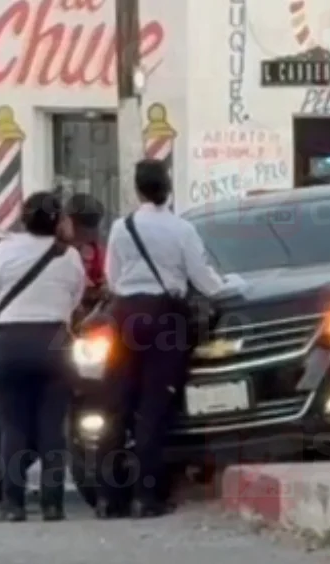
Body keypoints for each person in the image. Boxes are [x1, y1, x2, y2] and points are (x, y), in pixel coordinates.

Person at [98, 159, 228, 519]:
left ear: (137, 190)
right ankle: (147, 496)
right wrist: (231, 288)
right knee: (154, 408)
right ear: (168, 188)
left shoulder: (121, 228)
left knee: (116, 406)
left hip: (125, 315)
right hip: (166, 318)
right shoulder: (182, 229)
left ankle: (110, 498)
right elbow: (204, 280)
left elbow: (111, 278)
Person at [0, 191, 85, 522]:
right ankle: (53, 505)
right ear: (58, 221)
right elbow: (75, 298)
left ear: (23, 218)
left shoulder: (3, 250)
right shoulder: (70, 256)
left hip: (8, 343)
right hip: (54, 343)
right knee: (53, 426)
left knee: (12, 426)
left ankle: (13, 505)